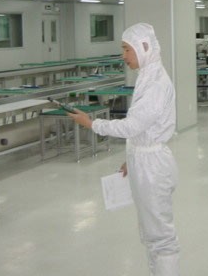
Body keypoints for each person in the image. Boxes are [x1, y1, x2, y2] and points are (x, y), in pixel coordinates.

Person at [69, 23, 180, 276]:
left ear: (144, 47)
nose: (124, 56)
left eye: (127, 49)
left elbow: (132, 126)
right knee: (150, 234)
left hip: (153, 167)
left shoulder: (156, 83)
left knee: (160, 238)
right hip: (145, 162)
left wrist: (92, 123)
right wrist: (132, 158)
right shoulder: (147, 76)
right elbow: (144, 129)